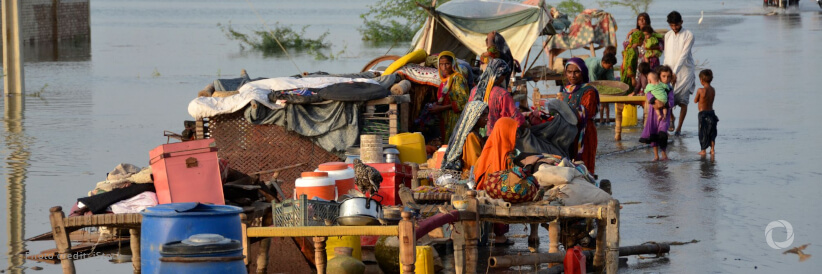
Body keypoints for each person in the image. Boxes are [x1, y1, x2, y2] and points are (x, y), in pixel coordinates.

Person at [558, 58, 600, 174]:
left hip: (584, 132)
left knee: (584, 164)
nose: (573, 75)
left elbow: (586, 112)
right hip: (568, 132)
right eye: (569, 72)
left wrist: (564, 111)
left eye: (576, 72)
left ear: (583, 72)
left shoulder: (589, 90)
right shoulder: (566, 90)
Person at [470, 58, 526, 133]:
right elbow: (516, 118)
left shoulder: (474, 90)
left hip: (476, 134)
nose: (503, 80)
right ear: (499, 75)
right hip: (495, 136)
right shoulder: (502, 94)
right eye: (504, 76)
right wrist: (527, 126)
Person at [663, 11, 695, 136]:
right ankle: (671, 118)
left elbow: (684, 55)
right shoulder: (668, 35)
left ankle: (679, 128)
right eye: (672, 25)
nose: (674, 28)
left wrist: (675, 72)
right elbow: (666, 55)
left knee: (683, 101)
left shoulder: (689, 35)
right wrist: (667, 72)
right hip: (670, 72)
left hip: (685, 72)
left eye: (676, 25)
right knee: (667, 98)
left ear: (681, 22)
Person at [429, 51, 470, 143]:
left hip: (455, 119)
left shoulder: (458, 79)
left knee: (454, 143)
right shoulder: (444, 81)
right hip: (445, 119)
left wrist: (441, 108)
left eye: (447, 64)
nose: (444, 67)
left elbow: (463, 102)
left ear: (452, 64)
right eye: (441, 64)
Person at [640, 66, 675, 161]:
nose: (666, 79)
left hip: (664, 115)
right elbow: (648, 94)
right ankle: (656, 155)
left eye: (668, 77)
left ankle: (664, 153)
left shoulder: (669, 89)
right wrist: (655, 101)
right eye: (664, 76)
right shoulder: (652, 86)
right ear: (659, 76)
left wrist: (664, 103)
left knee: (663, 133)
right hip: (653, 116)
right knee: (654, 135)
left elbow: (671, 102)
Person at [621, 13, 654, 92]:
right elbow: (626, 47)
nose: (641, 21)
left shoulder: (651, 33)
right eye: (639, 19)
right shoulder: (635, 33)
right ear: (637, 22)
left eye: (643, 19)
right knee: (635, 84)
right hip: (636, 62)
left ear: (647, 21)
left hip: (647, 61)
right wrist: (628, 35)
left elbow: (658, 46)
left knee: (647, 83)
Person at [585, 54, 617, 124]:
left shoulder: (608, 68)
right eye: (610, 65)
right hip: (586, 75)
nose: (611, 67)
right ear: (603, 62)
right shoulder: (594, 66)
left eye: (612, 65)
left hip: (598, 76)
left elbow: (610, 78)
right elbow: (593, 81)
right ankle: (590, 117)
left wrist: (616, 86)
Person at [694, 69, 718, 156]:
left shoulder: (700, 90)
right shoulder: (713, 90)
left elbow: (695, 100)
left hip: (703, 113)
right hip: (711, 113)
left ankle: (703, 150)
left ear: (701, 80)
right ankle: (712, 149)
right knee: (712, 131)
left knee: (703, 132)